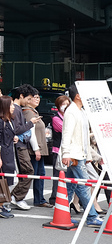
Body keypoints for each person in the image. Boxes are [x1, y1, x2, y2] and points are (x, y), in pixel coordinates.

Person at [62, 84, 103, 227]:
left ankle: (63, 213)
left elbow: (84, 136)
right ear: (78, 96)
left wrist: (88, 156)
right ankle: (91, 216)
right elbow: (66, 134)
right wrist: (65, 153)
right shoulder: (72, 111)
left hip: (80, 154)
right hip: (74, 155)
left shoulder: (82, 111)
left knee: (72, 186)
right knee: (83, 185)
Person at [10, 84, 38, 210]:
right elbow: (17, 129)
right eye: (28, 98)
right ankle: (16, 197)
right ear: (21, 96)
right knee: (28, 171)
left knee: (25, 171)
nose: (28, 102)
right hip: (20, 145)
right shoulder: (16, 109)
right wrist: (30, 124)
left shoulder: (18, 109)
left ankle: (16, 196)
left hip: (21, 144)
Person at [0, 95, 17, 219]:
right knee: (2, 180)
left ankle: (2, 205)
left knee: (9, 180)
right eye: (11, 105)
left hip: (9, 153)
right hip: (3, 154)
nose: (13, 107)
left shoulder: (9, 120)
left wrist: (13, 138)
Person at [24, 90, 48, 207]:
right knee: (35, 174)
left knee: (39, 174)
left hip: (38, 148)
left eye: (39, 97)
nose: (37, 99)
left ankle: (39, 199)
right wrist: (36, 149)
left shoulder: (34, 111)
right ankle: (19, 196)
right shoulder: (28, 112)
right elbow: (31, 132)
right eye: (35, 97)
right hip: (34, 149)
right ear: (29, 99)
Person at [48, 94, 69, 206]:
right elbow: (65, 130)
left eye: (67, 104)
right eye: (63, 104)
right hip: (58, 151)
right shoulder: (56, 118)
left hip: (67, 151)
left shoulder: (68, 117)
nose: (65, 106)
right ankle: (54, 198)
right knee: (58, 175)